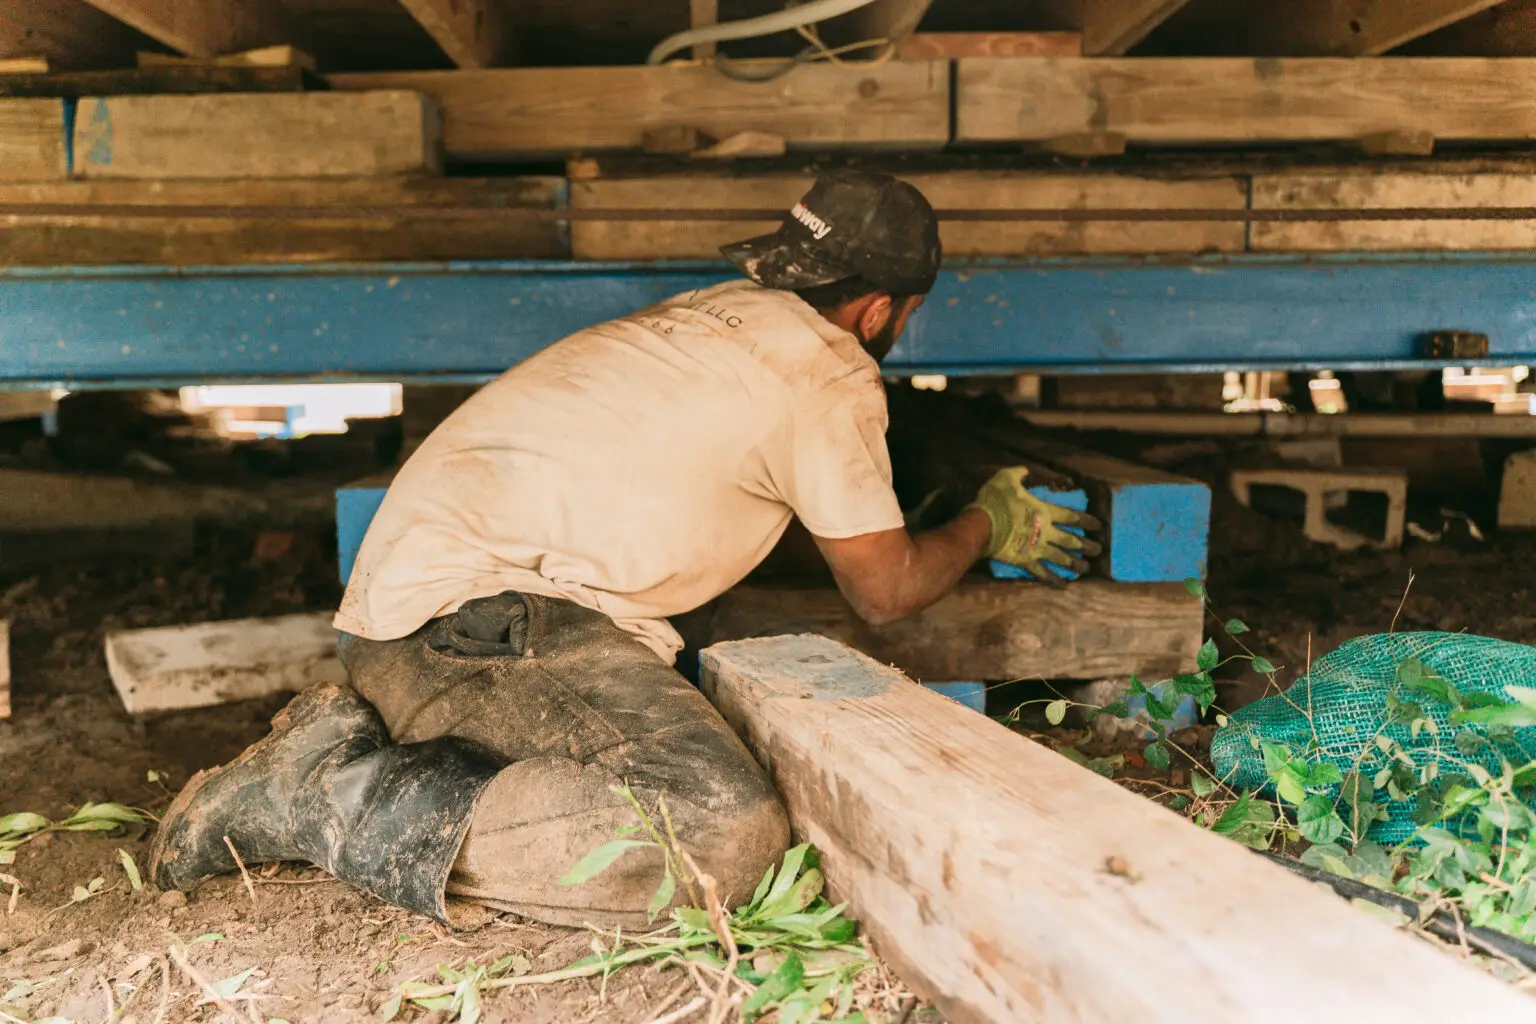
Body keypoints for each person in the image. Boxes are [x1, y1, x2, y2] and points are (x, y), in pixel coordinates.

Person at [148, 171, 1101, 928]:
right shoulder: (826, 372)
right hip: (479, 624)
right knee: (714, 832)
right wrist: (986, 523)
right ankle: (320, 795)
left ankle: (371, 763)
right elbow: (887, 591)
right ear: (880, 310)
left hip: (439, 616)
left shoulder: (716, 316)